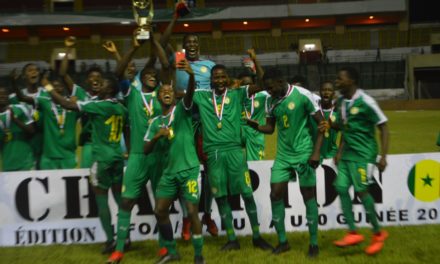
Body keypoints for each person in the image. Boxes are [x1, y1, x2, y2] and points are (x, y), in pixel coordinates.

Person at [192, 64, 272, 251]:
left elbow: (262, 83)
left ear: (227, 78)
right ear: (211, 80)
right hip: (214, 154)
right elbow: (183, 95)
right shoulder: (202, 96)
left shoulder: (237, 94)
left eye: (222, 77)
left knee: (247, 193)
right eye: (216, 77)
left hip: (235, 151)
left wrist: (255, 62)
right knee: (220, 197)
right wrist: (187, 74)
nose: (219, 80)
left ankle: (257, 236)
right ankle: (231, 239)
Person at [43, 75, 127, 255]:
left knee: (101, 199)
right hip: (117, 157)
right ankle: (125, 237)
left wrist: (48, 88)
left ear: (110, 89)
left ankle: (111, 240)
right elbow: (127, 129)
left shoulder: (99, 105)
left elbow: (67, 105)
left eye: (104, 83)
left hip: (102, 159)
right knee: (119, 198)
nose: (100, 86)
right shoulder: (121, 108)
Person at [246, 67, 324, 257]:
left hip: (304, 153)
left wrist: (315, 153)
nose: (269, 92)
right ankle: (283, 242)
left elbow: (322, 125)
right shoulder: (271, 101)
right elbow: (270, 128)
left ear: (281, 82)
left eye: (271, 88)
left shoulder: (303, 95)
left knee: (308, 197)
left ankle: (314, 243)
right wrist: (256, 126)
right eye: (267, 89)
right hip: (283, 155)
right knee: (275, 194)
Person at [107, 30, 167, 264]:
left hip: (160, 155)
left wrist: (153, 40)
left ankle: (165, 248)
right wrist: (132, 47)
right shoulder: (131, 93)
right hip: (137, 156)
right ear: (140, 78)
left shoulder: (164, 94)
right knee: (126, 202)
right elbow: (117, 72)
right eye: (148, 74)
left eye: (155, 75)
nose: (153, 75)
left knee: (161, 205)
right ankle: (119, 249)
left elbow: (161, 62)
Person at [144, 59, 205, 264]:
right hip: (168, 172)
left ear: (174, 95)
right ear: (159, 97)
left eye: (170, 90)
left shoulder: (182, 110)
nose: (167, 92)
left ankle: (198, 256)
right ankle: (171, 251)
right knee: (160, 210)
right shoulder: (154, 122)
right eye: (163, 92)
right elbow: (145, 149)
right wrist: (156, 137)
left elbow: (189, 96)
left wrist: (192, 77)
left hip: (188, 169)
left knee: (191, 211)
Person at [330, 66, 389, 255]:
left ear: (352, 81)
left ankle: (378, 233)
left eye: (340, 79)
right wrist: (339, 150)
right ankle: (353, 232)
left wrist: (384, 156)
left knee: (362, 191)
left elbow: (384, 127)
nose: (336, 82)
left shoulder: (366, 101)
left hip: (364, 155)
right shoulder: (339, 102)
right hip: (347, 154)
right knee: (340, 188)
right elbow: (344, 127)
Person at [175, 33, 218, 239]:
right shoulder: (177, 65)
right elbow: (172, 90)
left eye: (195, 41)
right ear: (183, 47)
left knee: (210, 171)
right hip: (184, 122)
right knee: (185, 171)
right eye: (188, 42)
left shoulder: (209, 65)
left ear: (199, 45)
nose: (192, 44)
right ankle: (186, 219)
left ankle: (208, 216)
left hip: (207, 123)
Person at [12, 71, 80, 169]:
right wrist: (14, 83)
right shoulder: (44, 102)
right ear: (49, 89)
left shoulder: (72, 104)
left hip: (68, 156)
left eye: (59, 86)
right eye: (53, 86)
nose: (57, 89)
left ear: (63, 88)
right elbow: (22, 98)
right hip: (49, 158)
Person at [9, 63, 47, 169]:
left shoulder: (46, 94)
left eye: (36, 70)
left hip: (44, 142)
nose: (34, 72)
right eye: (30, 70)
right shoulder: (13, 97)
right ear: (24, 75)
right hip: (24, 143)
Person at [239, 48, 269, 161]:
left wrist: (255, 60)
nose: (247, 88)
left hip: (256, 136)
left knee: (256, 169)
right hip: (237, 134)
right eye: (243, 85)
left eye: (249, 85)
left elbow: (264, 81)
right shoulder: (235, 97)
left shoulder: (263, 96)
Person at [0, 86, 35, 171]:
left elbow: (32, 131)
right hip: (6, 165)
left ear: (8, 96)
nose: (2, 97)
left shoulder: (20, 109)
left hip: (26, 163)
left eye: (4, 94)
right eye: (0, 95)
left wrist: (15, 120)